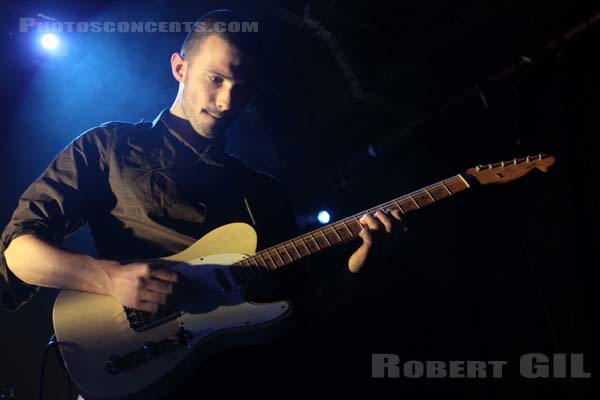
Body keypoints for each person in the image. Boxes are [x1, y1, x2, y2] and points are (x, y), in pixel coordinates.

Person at [0, 9, 403, 397]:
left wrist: (358, 266)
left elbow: (298, 311)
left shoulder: (263, 193)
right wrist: (109, 278)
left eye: (242, 86)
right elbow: (19, 253)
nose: (228, 101)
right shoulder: (108, 146)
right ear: (180, 68)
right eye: (216, 78)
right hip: (136, 368)